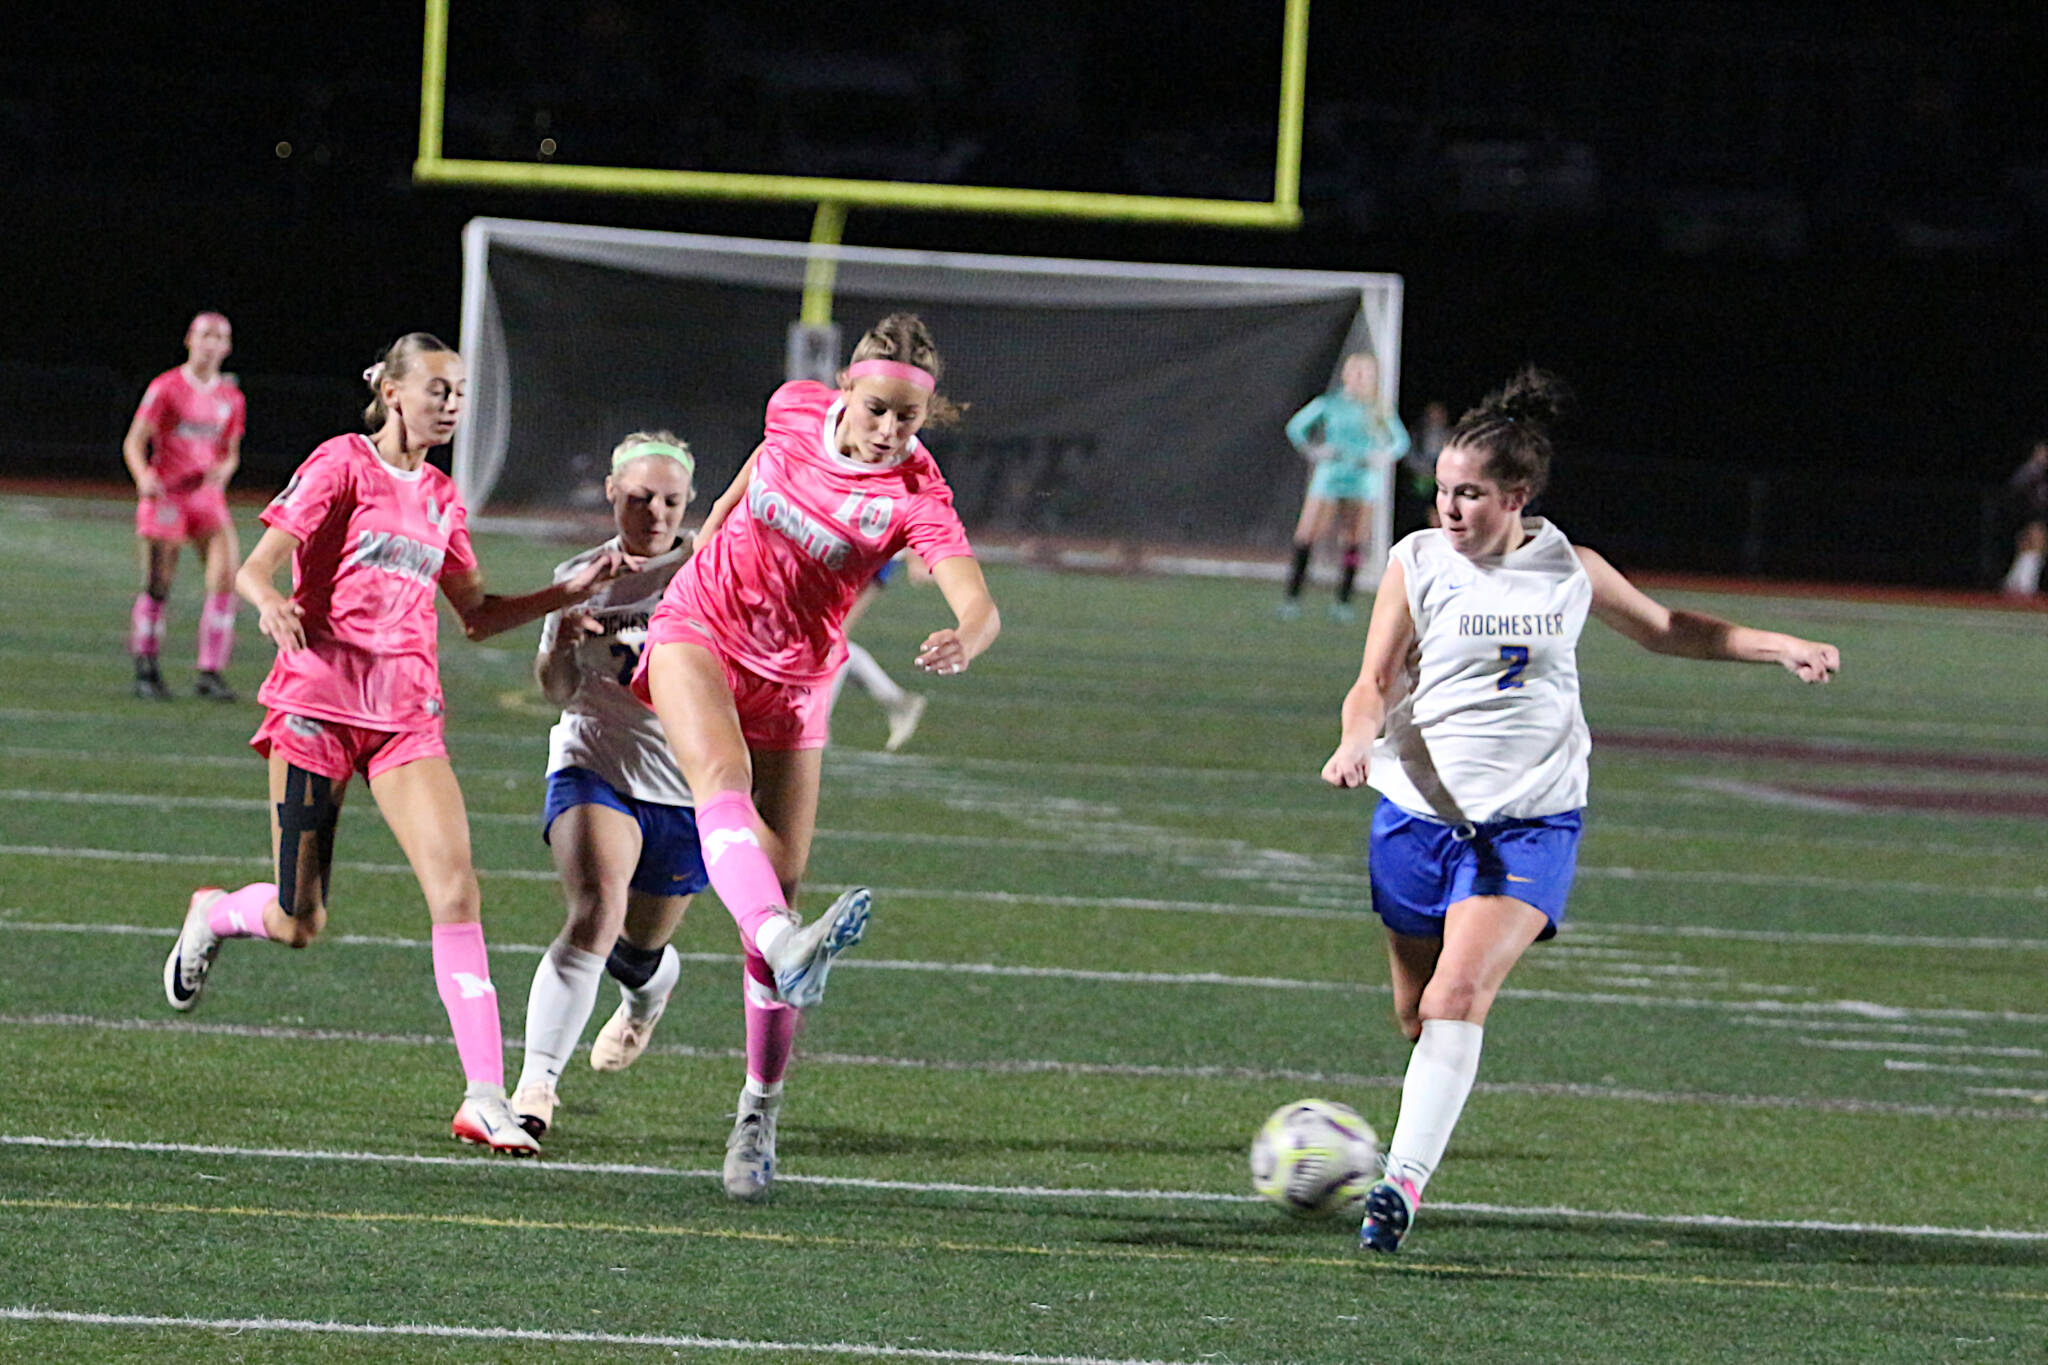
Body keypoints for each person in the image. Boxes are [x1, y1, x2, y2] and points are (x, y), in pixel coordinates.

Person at [1318, 368, 1839, 1254]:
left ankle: (1398, 1186)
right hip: (1413, 815)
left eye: (1469, 493)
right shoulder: (1416, 561)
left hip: (1531, 821)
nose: (1447, 507)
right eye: (1441, 489)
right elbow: (1371, 682)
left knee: (1458, 992)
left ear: (1516, 496)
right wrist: (1355, 741)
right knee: (1416, 1015)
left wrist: (1777, 644)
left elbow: (1669, 626)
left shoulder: (1570, 569)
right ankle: (1417, 1120)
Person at [159, 332, 640, 1157]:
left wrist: (567, 594)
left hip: (406, 721)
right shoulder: (341, 464)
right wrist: (269, 601)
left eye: (460, 393)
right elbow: (257, 564)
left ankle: (484, 1095)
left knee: (457, 890)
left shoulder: (445, 499)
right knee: (298, 918)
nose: (452, 404)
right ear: (394, 393)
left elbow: (478, 614)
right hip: (315, 714)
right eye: (439, 390)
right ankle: (215, 912)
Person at [633, 312, 1001, 1199]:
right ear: (843, 389)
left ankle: (758, 1109)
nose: (889, 432)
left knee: (782, 881)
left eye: (907, 420)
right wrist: (710, 526)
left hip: (796, 681)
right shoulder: (791, 408)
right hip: (701, 625)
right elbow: (756, 469)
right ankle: (775, 940)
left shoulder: (916, 492)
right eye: (877, 411)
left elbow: (979, 599)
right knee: (718, 781)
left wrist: (966, 636)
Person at [511, 432, 703, 1140]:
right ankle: (535, 1086)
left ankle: (648, 993)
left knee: (637, 948)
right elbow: (559, 691)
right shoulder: (580, 573)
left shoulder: (710, 568)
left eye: (671, 500)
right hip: (594, 761)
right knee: (595, 907)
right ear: (611, 494)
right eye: (641, 497)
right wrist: (562, 637)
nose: (656, 511)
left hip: (681, 784)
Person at [122, 312, 246, 701]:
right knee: (159, 585)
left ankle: (210, 672)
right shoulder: (167, 387)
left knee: (227, 578)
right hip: (168, 497)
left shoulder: (231, 397)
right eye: (205, 334)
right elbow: (133, 441)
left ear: (227, 348)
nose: (212, 343)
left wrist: (223, 472)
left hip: (206, 500)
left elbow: (230, 453)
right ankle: (147, 668)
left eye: (220, 337)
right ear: (190, 339)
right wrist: (143, 475)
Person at [1279, 352, 1409, 623]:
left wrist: (1379, 457)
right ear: (1346, 375)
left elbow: (1400, 442)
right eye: (1357, 373)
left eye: (1367, 374)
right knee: (1306, 535)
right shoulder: (1330, 404)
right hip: (1329, 478)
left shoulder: (1378, 409)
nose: (1361, 379)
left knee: (1353, 540)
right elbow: (1296, 428)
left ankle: (1343, 601)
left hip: (1362, 482)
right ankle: (1292, 598)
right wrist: (1316, 450)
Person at [830, 555, 928, 752]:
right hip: (842, 548)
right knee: (827, 638)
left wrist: (916, 557)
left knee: (832, 638)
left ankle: (813, 723)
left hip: (864, 553)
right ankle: (897, 700)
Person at [1999, 439, 2048, 596]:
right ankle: (2026, 586)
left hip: (2029, 514)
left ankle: (2014, 583)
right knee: (2037, 545)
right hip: (2028, 514)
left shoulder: (2038, 473)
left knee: (2028, 548)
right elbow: (2016, 489)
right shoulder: (2031, 471)